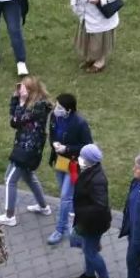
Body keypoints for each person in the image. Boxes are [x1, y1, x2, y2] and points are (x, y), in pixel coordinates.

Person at [0, 76, 52, 227]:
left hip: (27, 148)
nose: (21, 90)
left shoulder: (39, 106)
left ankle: (9, 216)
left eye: (24, 88)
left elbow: (16, 121)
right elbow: (13, 118)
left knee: (9, 180)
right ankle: (43, 207)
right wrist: (15, 98)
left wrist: (20, 103)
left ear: (32, 91)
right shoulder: (31, 102)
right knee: (29, 178)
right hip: (25, 146)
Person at [46, 94, 93, 244]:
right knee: (66, 195)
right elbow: (52, 135)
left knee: (65, 197)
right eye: (56, 105)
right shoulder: (54, 117)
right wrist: (54, 144)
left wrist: (67, 148)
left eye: (60, 107)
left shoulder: (80, 123)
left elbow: (87, 146)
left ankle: (61, 229)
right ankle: (77, 215)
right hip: (60, 161)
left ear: (69, 110)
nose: (56, 109)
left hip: (73, 163)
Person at [69, 144, 113, 278]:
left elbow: (100, 206)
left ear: (89, 160)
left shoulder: (97, 180)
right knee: (88, 247)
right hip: (88, 220)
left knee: (90, 252)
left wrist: (81, 211)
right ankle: (89, 276)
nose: (80, 159)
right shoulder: (90, 170)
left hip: (94, 223)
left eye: (82, 157)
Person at [67, 0, 122, 73]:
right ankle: (92, 57)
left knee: (99, 37)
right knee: (88, 35)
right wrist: (74, 4)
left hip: (99, 15)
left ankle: (100, 61)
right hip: (85, 13)